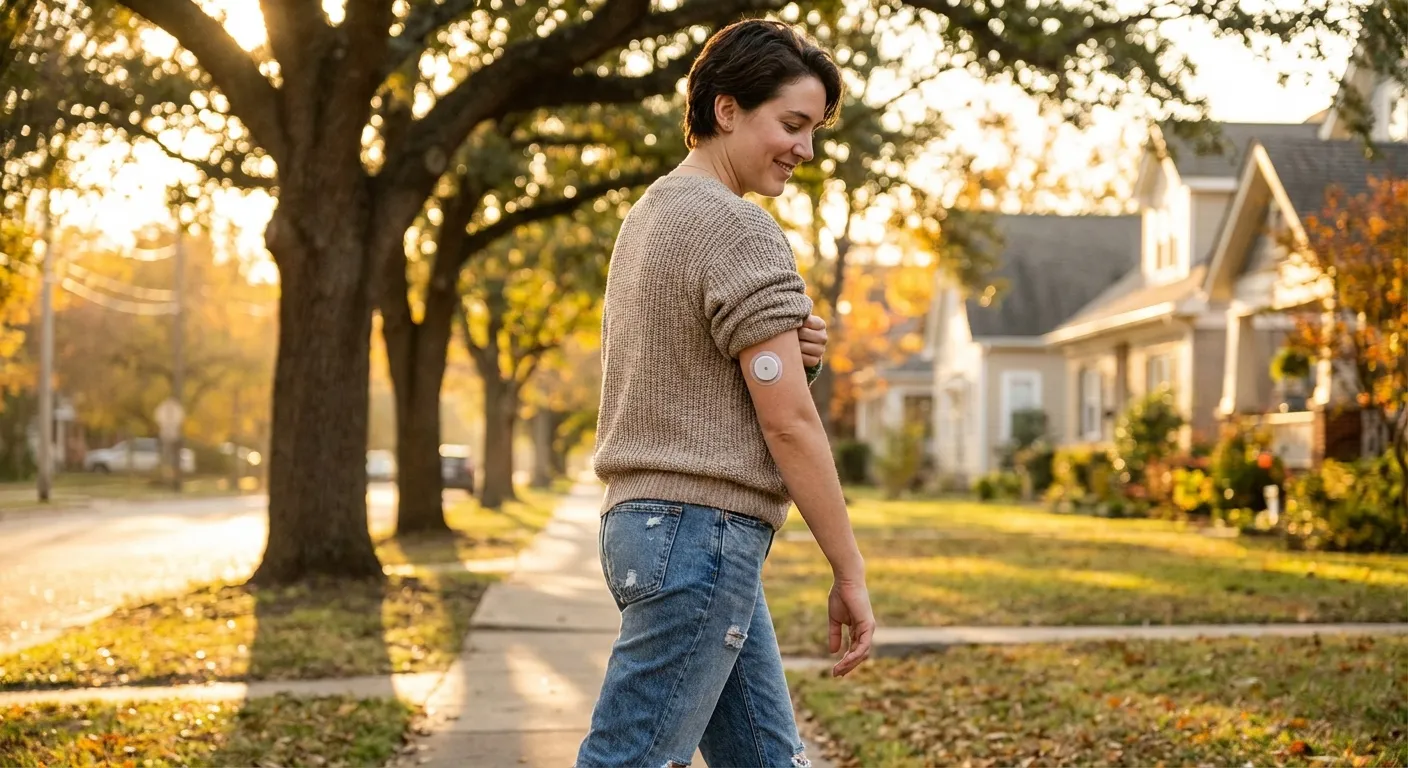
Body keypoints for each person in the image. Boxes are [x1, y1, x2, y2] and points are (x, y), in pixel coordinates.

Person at [575, 18, 875, 768]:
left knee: (767, 759)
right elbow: (790, 424)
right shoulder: (737, 227)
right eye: (792, 125)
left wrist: (791, 359)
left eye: (813, 131)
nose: (806, 149)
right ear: (727, 109)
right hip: (699, 537)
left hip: (651, 528)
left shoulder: (650, 215)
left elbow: (692, 377)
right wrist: (849, 570)